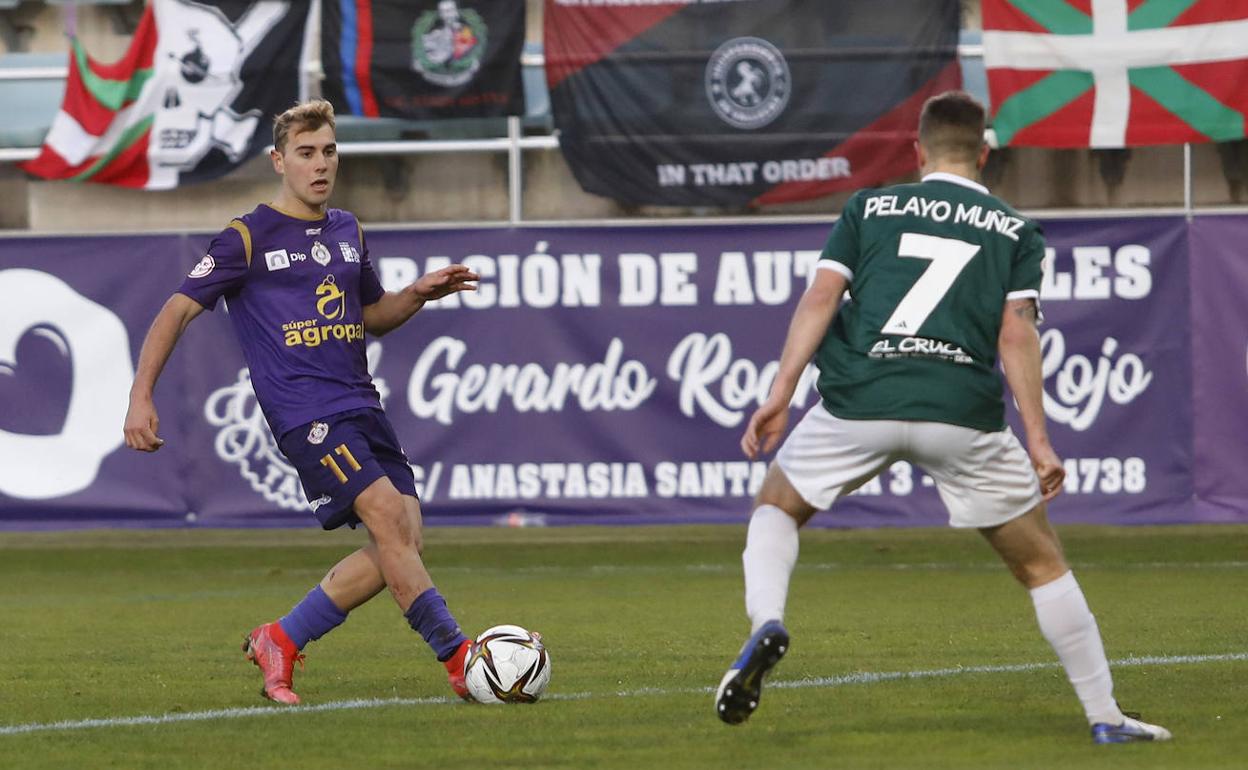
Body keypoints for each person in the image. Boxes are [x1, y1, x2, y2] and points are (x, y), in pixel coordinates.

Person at [713, 91, 1171, 745]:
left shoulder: (869, 208)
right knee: (1042, 565)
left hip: (861, 396)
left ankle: (767, 620)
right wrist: (1040, 439)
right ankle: (1105, 717)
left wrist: (781, 392)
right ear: (985, 153)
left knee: (777, 507)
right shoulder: (1015, 230)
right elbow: (1016, 333)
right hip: (961, 412)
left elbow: (821, 295)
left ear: (917, 151)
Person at [123, 99, 480, 706]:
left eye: (329, 151)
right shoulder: (246, 236)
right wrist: (141, 395)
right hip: (306, 414)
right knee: (389, 520)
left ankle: (281, 639)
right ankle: (458, 656)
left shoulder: (347, 230)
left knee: (405, 536)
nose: (320, 164)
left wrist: (416, 294)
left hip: (362, 404)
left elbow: (370, 316)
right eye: (306, 153)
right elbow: (177, 308)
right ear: (278, 161)